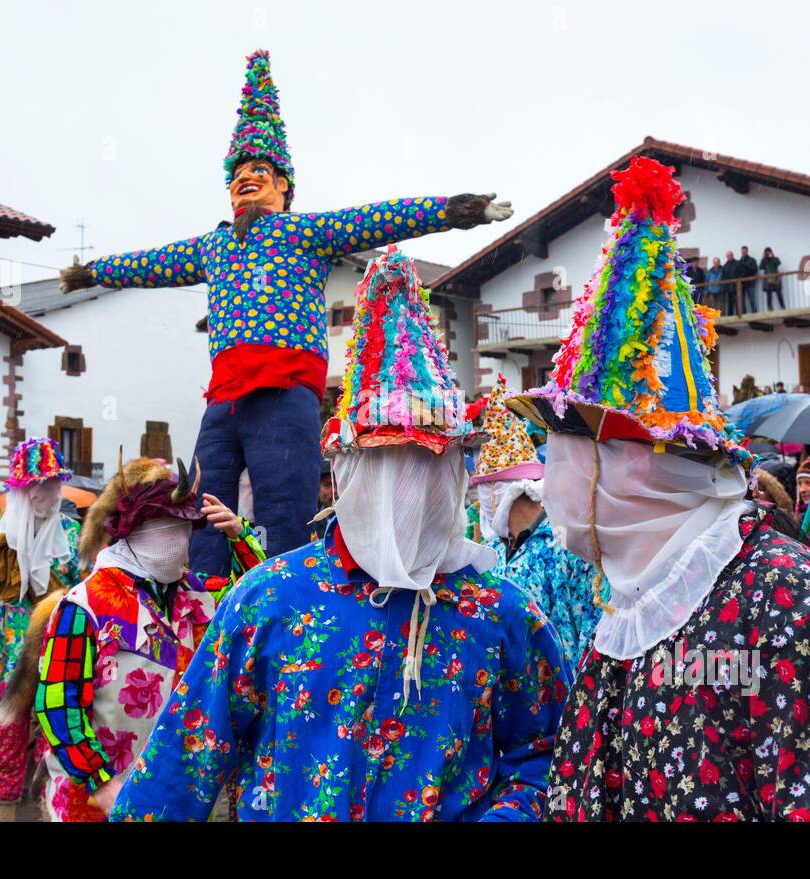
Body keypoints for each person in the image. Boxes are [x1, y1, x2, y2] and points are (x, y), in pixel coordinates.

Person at [507, 157, 810, 821]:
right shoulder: (630, 593)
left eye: (565, 449)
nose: (550, 476)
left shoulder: (787, 598)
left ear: (632, 463)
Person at [110, 247, 568, 822]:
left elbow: (547, 756)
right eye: (386, 465)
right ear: (345, 469)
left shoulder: (504, 615)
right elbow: (181, 766)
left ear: (458, 473)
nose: (406, 489)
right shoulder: (268, 598)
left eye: (430, 465)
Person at [58, 51, 514, 581]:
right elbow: (149, 263)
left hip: (284, 391)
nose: (244, 181)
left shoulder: (304, 232)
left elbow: (379, 217)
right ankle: (208, 604)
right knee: (202, 505)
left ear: (283, 188)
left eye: (259, 172)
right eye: (237, 175)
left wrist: (459, 210)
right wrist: (92, 271)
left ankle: (288, 605)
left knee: (283, 513)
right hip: (224, 399)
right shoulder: (212, 246)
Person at [9, 459, 264, 822]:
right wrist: (99, 783)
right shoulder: (84, 607)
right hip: (101, 801)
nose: (181, 540)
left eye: (185, 528)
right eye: (169, 527)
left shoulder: (196, 595)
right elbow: (58, 705)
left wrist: (240, 537)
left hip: (179, 795)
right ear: (135, 530)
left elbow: (262, 601)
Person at [0, 437, 83, 822]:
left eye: (57, 482)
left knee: (57, 751)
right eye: (45, 483)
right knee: (5, 753)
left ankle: (51, 815)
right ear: (25, 491)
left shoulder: (73, 536)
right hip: (6, 665)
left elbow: (90, 597)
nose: (54, 490)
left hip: (60, 662)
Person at [471, 376, 604, 666]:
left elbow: (592, 627)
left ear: (501, 491)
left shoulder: (566, 542)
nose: (481, 500)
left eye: (485, 488)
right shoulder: (491, 550)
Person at [738, 245, 759, 314]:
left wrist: (747, 266)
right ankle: (743, 313)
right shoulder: (740, 261)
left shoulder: (752, 260)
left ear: (747, 251)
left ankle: (754, 311)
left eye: (744, 251)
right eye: (742, 251)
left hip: (750, 282)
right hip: (742, 283)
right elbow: (738, 271)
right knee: (742, 299)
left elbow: (755, 269)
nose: (743, 252)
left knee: (751, 298)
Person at [721, 250, 740, 316]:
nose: (729, 257)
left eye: (730, 255)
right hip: (728, 288)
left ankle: (739, 315)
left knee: (738, 302)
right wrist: (725, 287)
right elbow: (723, 277)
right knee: (730, 303)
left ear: (732, 255)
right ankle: (730, 315)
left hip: (737, 287)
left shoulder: (738, 263)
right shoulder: (725, 266)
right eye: (727, 256)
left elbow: (740, 274)